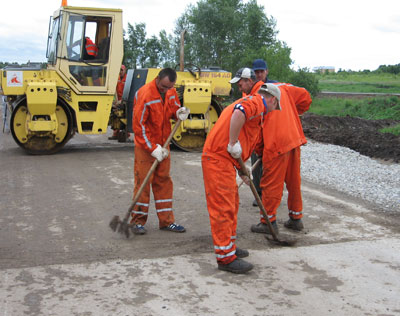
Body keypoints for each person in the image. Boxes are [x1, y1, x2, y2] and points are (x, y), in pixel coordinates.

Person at [202, 68, 281, 274]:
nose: (274, 110)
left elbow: (240, 147)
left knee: (232, 203)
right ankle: (225, 258)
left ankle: (229, 247)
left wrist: (242, 170)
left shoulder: (257, 107)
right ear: (272, 100)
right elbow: (239, 114)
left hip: (226, 160)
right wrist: (232, 141)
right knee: (223, 207)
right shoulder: (256, 102)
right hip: (217, 159)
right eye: (276, 106)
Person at [130, 68, 190, 235]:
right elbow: (138, 127)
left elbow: (173, 109)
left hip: (164, 145)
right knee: (143, 183)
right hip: (146, 147)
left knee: (163, 181)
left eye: (169, 87)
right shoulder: (145, 94)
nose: (166, 90)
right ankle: (137, 222)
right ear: (157, 79)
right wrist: (152, 148)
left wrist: (179, 113)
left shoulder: (170, 92)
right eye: (163, 87)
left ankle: (166, 221)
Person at [251, 82, 311, 235]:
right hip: (293, 139)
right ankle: (296, 219)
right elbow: (306, 97)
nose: (240, 87)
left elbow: (257, 130)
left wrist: (259, 151)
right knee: (293, 181)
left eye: (241, 83)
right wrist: (293, 111)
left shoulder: (257, 98)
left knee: (271, 184)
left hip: (275, 144)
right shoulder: (283, 88)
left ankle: (267, 222)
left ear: (250, 81)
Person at [250, 59, 278, 206]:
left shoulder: (274, 87)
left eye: (262, 71)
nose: (259, 74)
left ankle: (269, 195)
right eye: (257, 72)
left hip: (270, 131)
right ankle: (258, 194)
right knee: (256, 163)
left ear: (266, 71)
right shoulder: (250, 89)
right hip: (257, 132)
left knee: (270, 165)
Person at [109, 65, 130, 141]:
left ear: (125, 70)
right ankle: (115, 134)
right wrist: (115, 100)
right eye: (119, 70)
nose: (120, 71)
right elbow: (114, 90)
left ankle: (126, 134)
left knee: (125, 116)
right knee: (115, 115)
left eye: (121, 70)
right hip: (118, 100)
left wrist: (122, 101)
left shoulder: (128, 79)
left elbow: (128, 91)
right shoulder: (116, 78)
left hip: (125, 100)